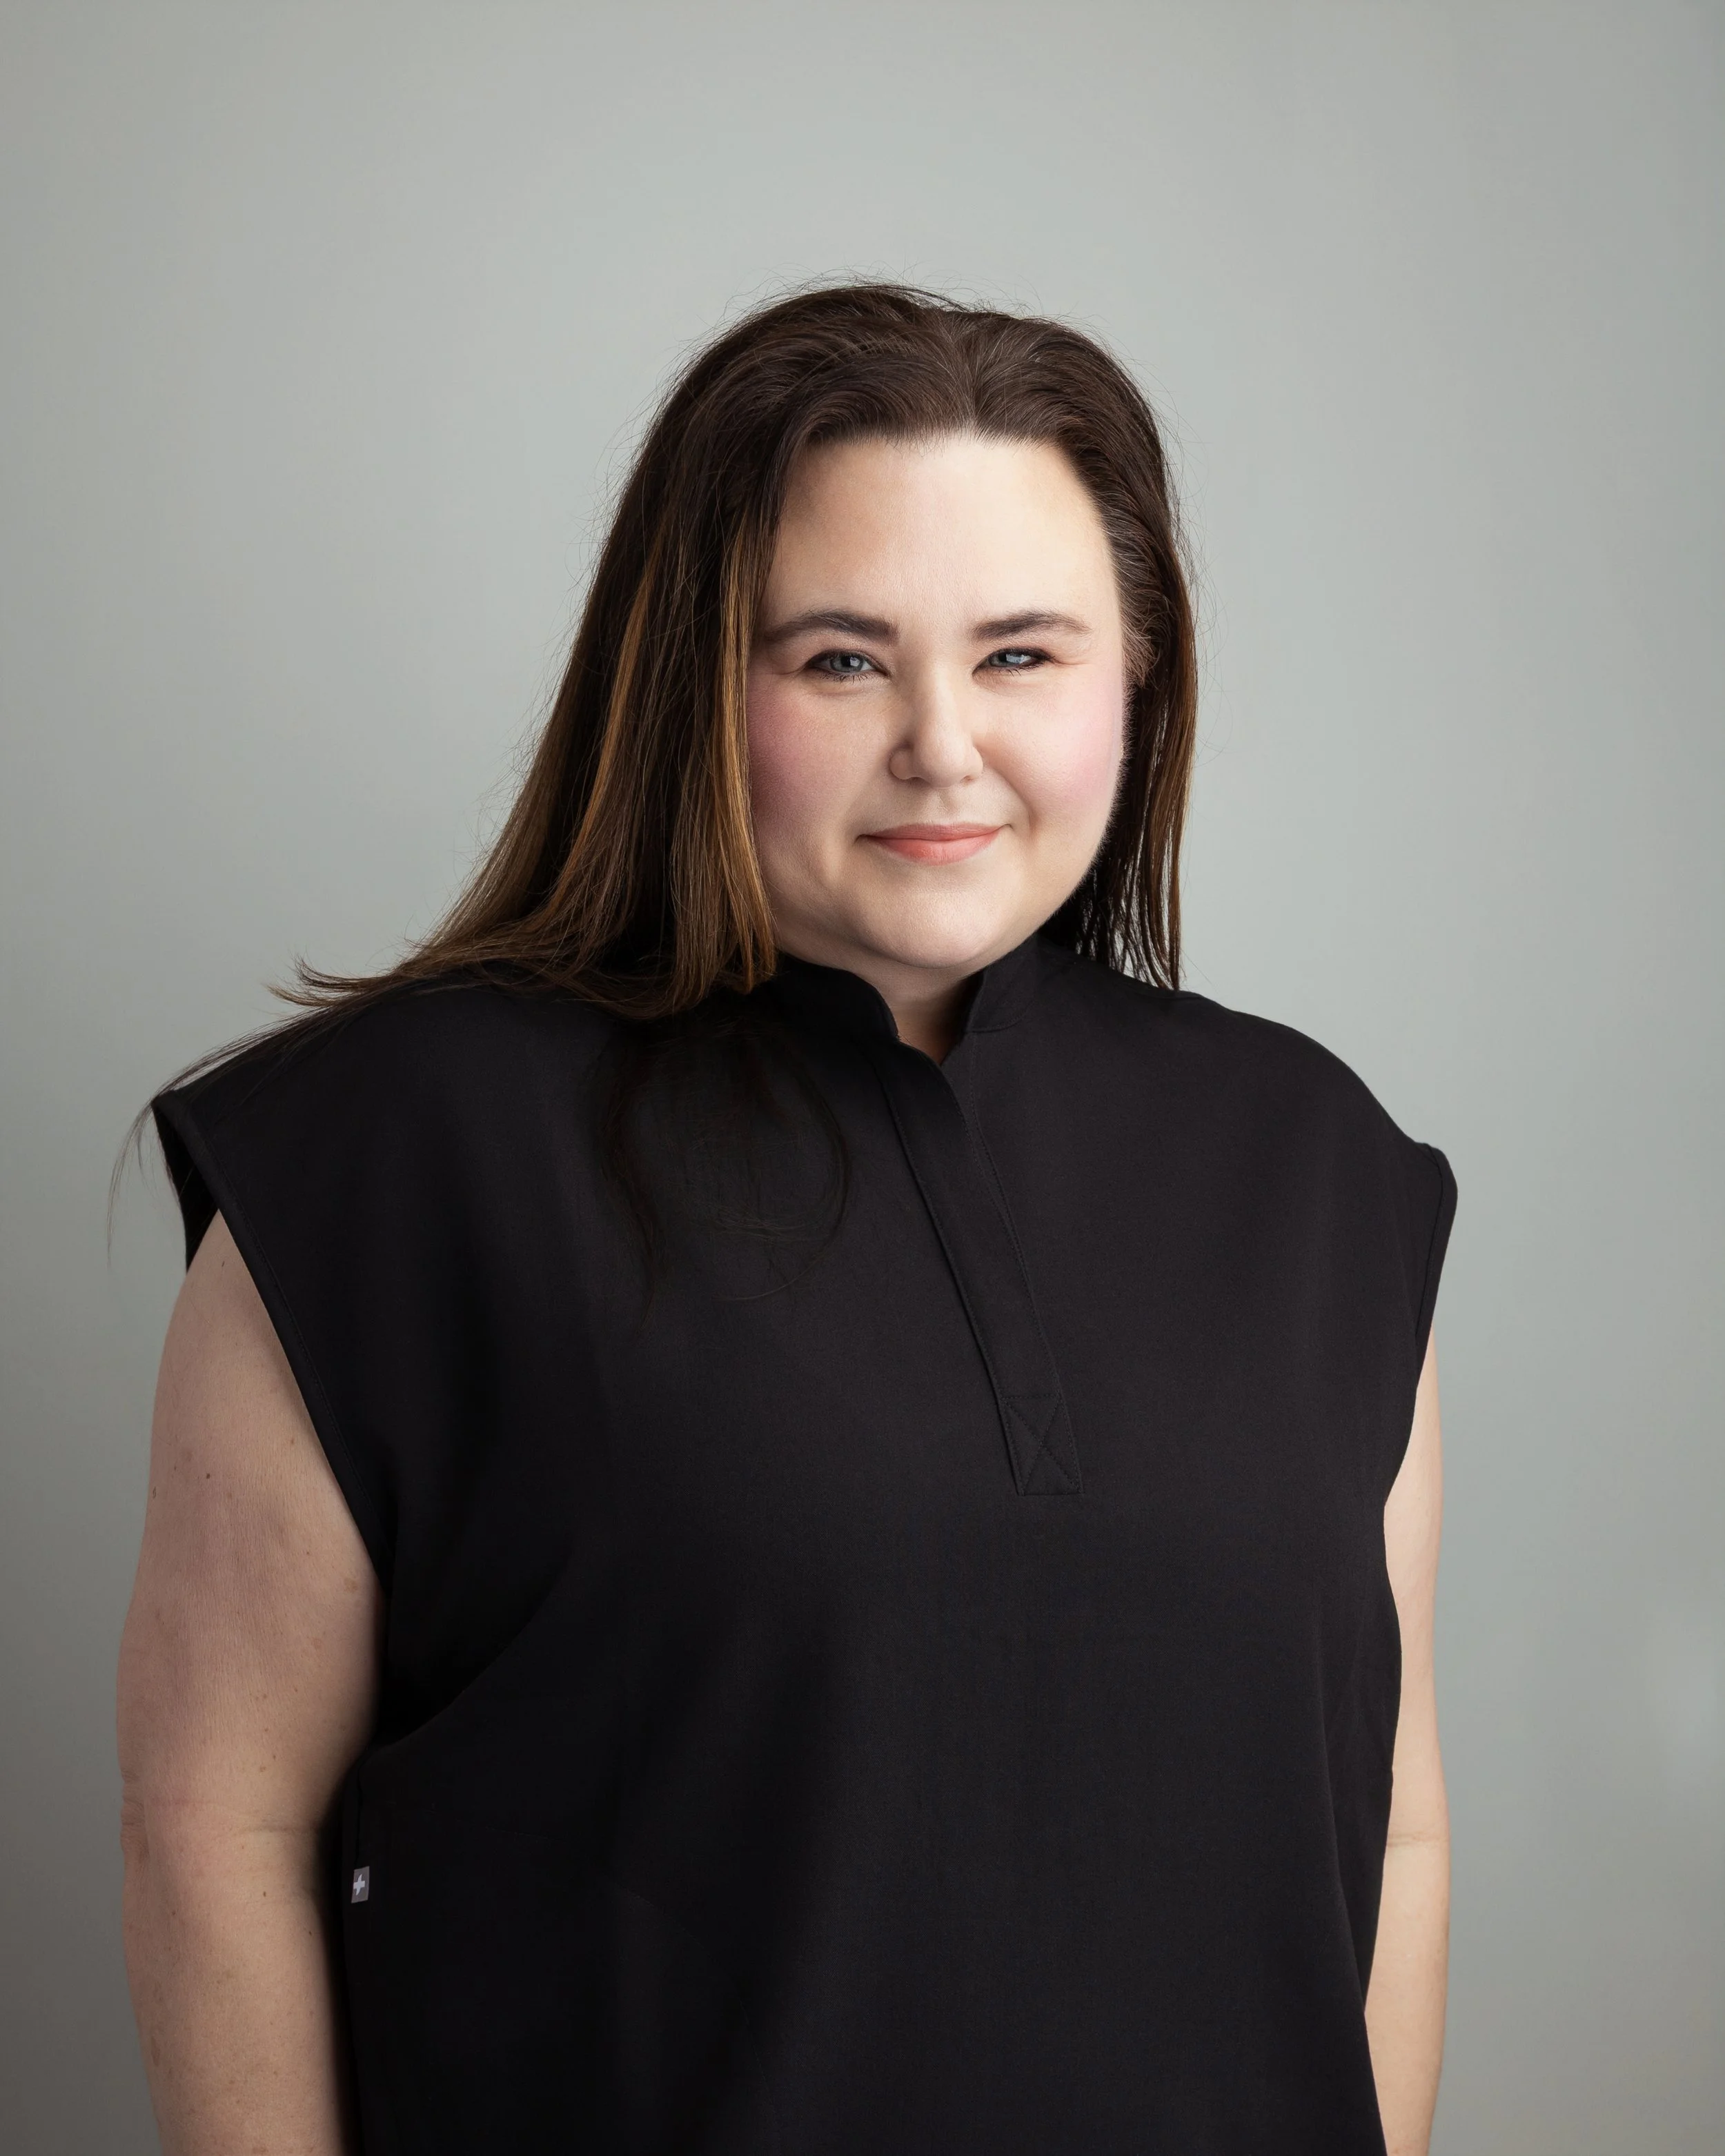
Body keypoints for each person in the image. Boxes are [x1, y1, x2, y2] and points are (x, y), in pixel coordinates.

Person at [118, 284, 1455, 2156]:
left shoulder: (1313, 1163)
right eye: (837, 659)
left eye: (1020, 655)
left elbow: (1384, 1822)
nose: (940, 743)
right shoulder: (391, 1156)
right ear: (689, 679)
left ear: (1134, 678)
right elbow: (214, 1817)